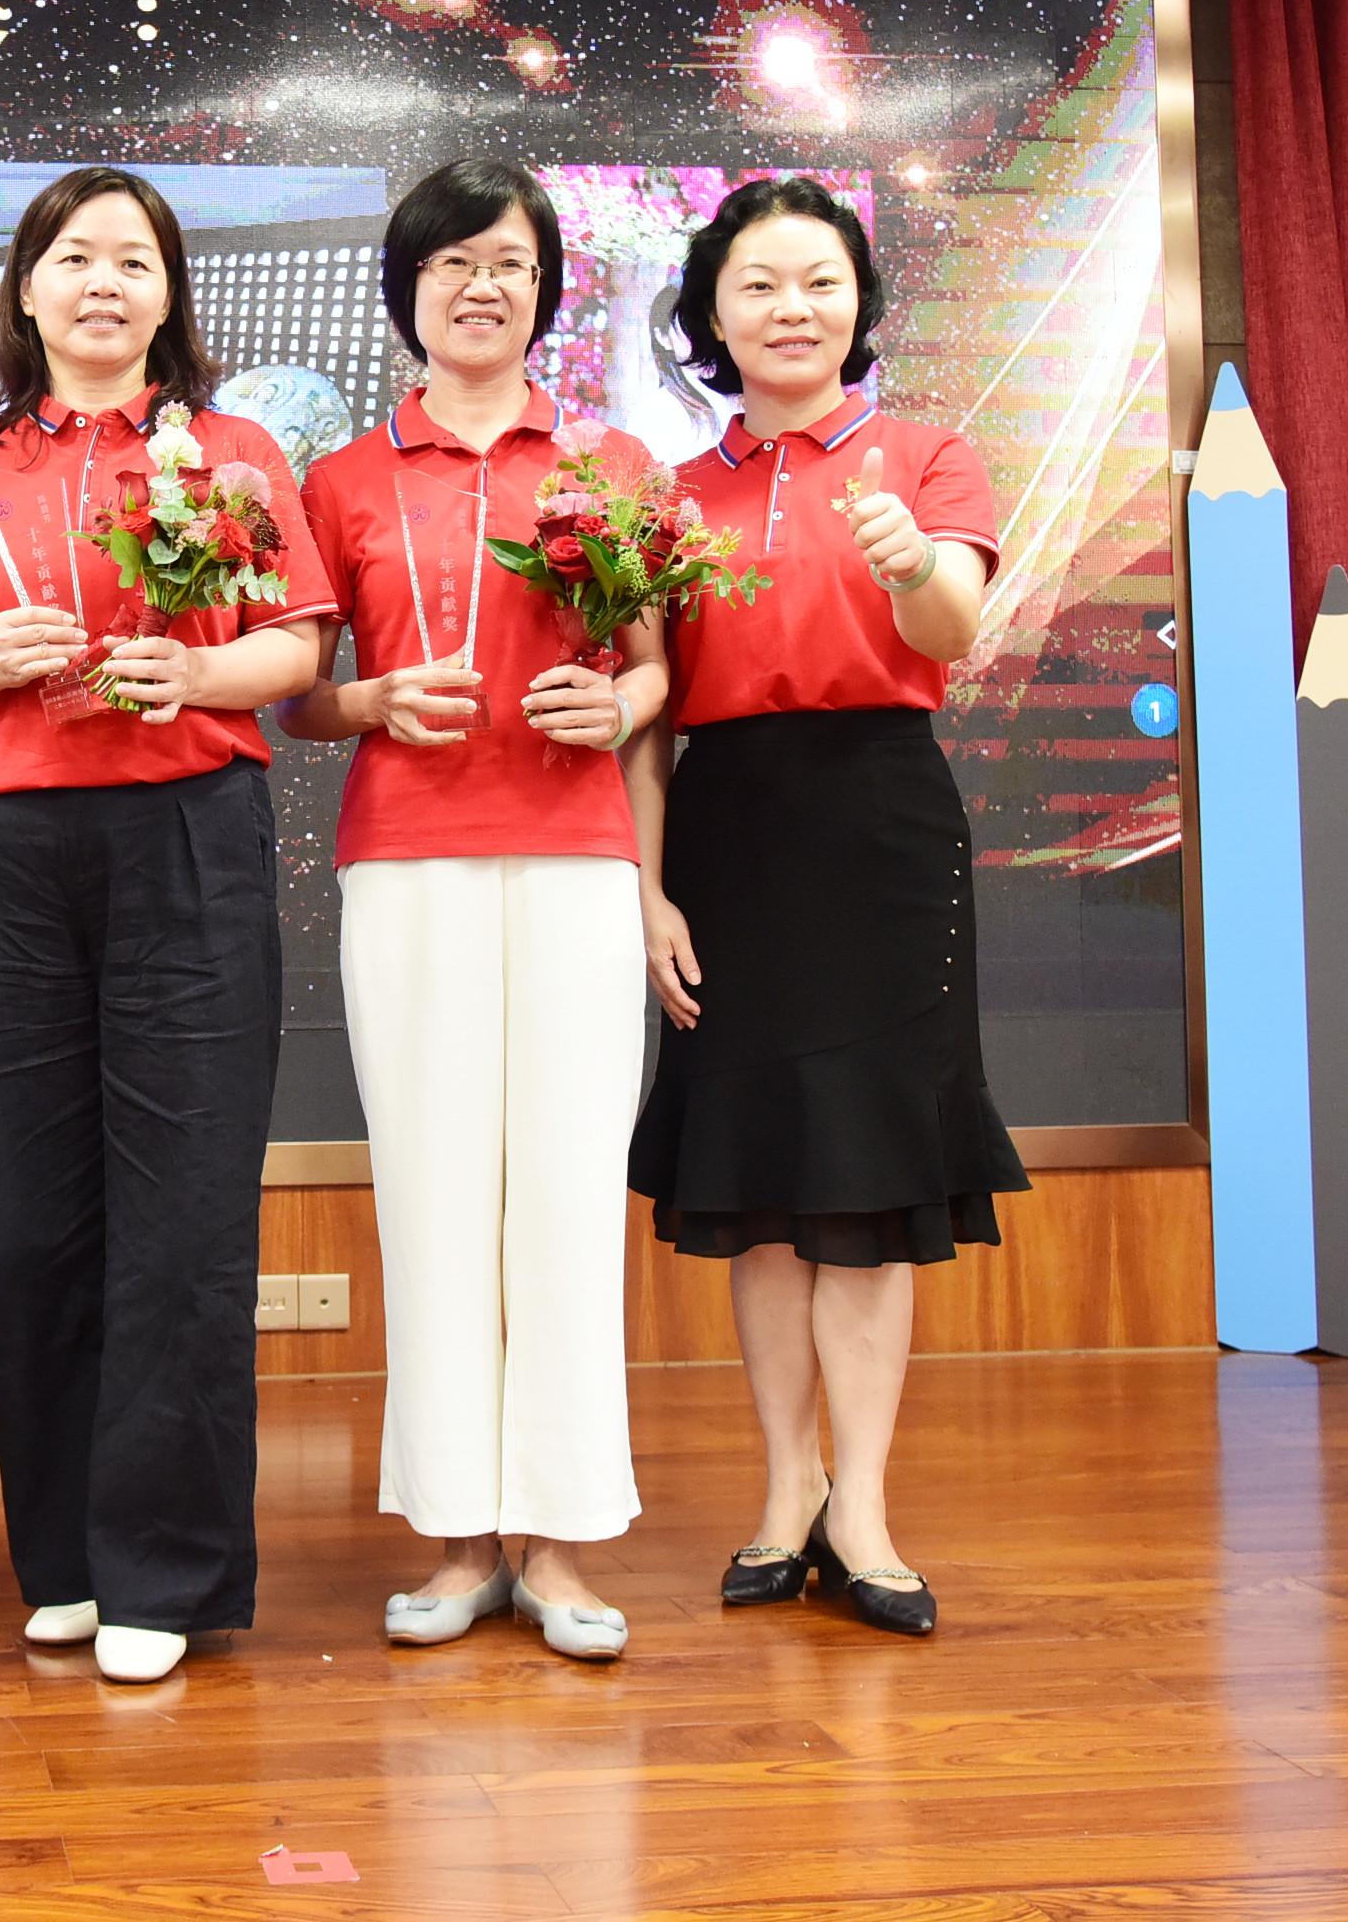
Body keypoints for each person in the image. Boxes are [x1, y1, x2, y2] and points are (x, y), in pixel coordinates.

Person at [0, 165, 334, 1685]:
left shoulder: (232, 451)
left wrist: (198, 675)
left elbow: (295, 643)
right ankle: (65, 1558)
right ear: (23, 289)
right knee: (38, 1212)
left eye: (132, 260)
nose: (101, 283)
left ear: (166, 294)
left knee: (184, 1212)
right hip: (17, 848)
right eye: (72, 256)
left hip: (188, 833)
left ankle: (167, 1571)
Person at [627, 175, 1029, 1641]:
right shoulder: (668, 496)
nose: (790, 309)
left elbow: (950, 628)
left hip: (880, 827)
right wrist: (647, 887)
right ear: (710, 313)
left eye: (819, 281)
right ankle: (783, 1486)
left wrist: (910, 561)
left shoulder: (924, 455)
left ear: (858, 302)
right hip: (727, 832)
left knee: (865, 1181)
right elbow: (646, 714)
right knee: (758, 1191)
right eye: (756, 284)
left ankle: (862, 1504)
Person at [281, 159, 664, 1663]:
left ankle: (559, 1541)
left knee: (567, 1192)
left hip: (576, 856)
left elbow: (656, 667)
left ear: (543, 286)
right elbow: (300, 695)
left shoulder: (612, 463)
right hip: (407, 859)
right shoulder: (341, 479)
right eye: (450, 263)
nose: (480, 286)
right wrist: (373, 698)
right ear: (409, 290)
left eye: (507, 261)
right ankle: (454, 1535)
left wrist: (615, 703)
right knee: (432, 1194)